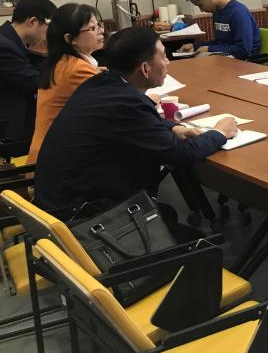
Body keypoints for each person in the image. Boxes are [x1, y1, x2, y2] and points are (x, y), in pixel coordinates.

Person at [33, 27, 238, 214]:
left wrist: (174, 128)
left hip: (54, 204)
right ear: (145, 69)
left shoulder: (99, 83)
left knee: (168, 214)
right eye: (163, 56)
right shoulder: (127, 103)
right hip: (82, 217)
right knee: (185, 232)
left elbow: (132, 122)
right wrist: (219, 133)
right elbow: (181, 154)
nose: (167, 62)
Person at [27, 3, 105, 163]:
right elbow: (112, 104)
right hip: (56, 161)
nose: (101, 31)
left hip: (47, 154)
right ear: (70, 39)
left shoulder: (63, 62)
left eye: (99, 25)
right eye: (92, 28)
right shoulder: (77, 69)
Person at [0, 0, 57, 157]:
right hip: (10, 130)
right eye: (49, 27)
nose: (49, 35)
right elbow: (33, 81)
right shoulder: (4, 46)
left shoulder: (10, 41)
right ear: (33, 22)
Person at [180, 0, 259, 59]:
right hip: (227, 57)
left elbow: (244, 49)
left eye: (200, 5)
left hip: (245, 61)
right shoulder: (217, 12)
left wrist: (209, 49)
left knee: (199, 59)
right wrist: (195, 47)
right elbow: (220, 43)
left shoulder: (238, 12)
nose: (201, 10)